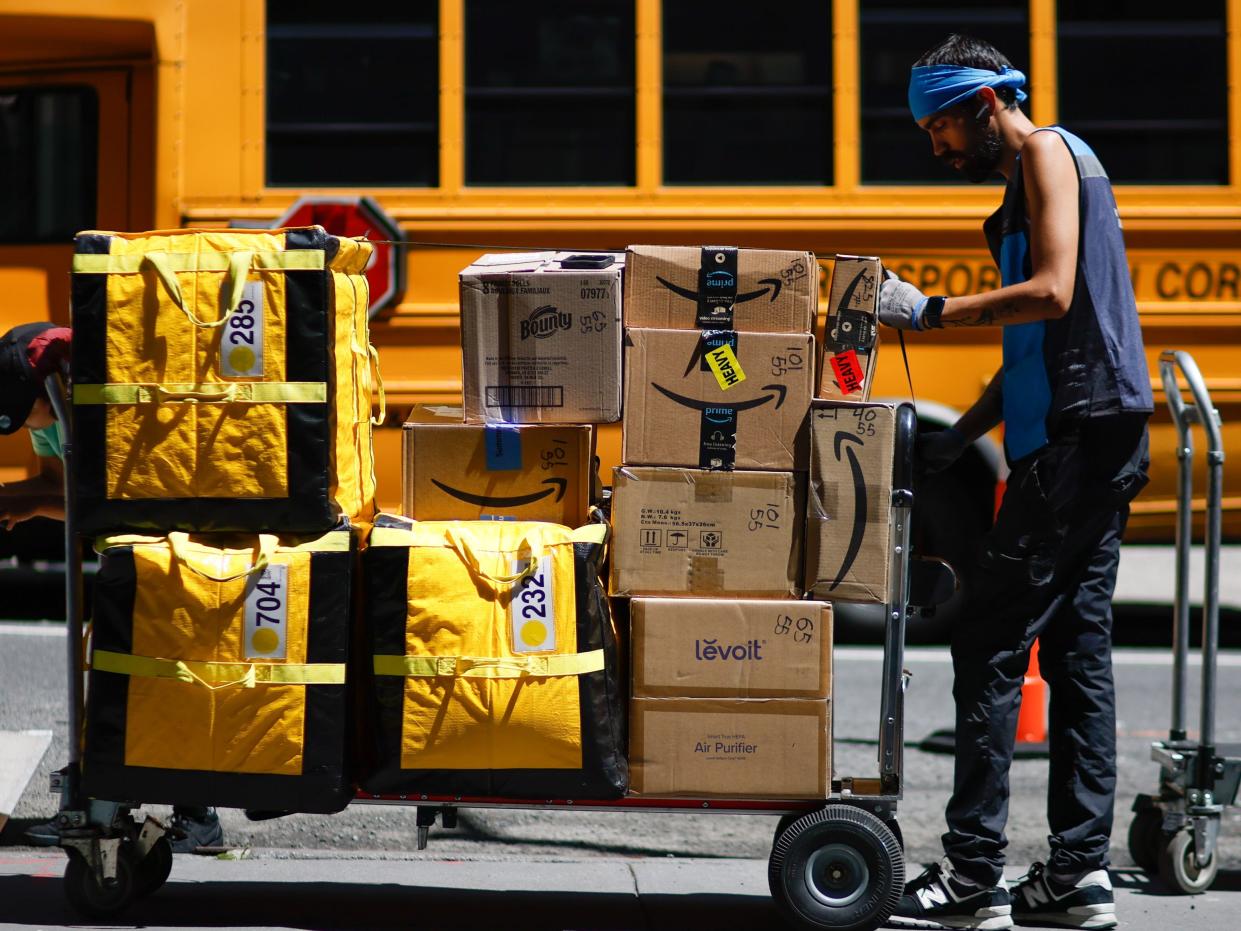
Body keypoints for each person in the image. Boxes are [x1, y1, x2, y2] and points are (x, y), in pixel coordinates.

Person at [878, 35, 1152, 931]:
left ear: (989, 100)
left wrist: (927, 310)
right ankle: (1074, 876)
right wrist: (963, 434)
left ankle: (969, 878)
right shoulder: (1027, 176)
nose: (936, 146)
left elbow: (1052, 294)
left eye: (943, 125)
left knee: (989, 642)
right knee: (1074, 652)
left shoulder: (1045, 151)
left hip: (1075, 436)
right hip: (1079, 430)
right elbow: (1031, 346)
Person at [0, 322, 225, 854]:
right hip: (121, 559)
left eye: (25, 413)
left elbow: (108, 494)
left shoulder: (105, 412)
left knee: (155, 681)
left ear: (49, 390)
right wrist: (22, 499)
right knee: (120, 679)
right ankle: (116, 805)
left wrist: (26, 500)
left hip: (161, 556)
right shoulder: (51, 418)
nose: (29, 428)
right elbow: (62, 490)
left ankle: (193, 814)